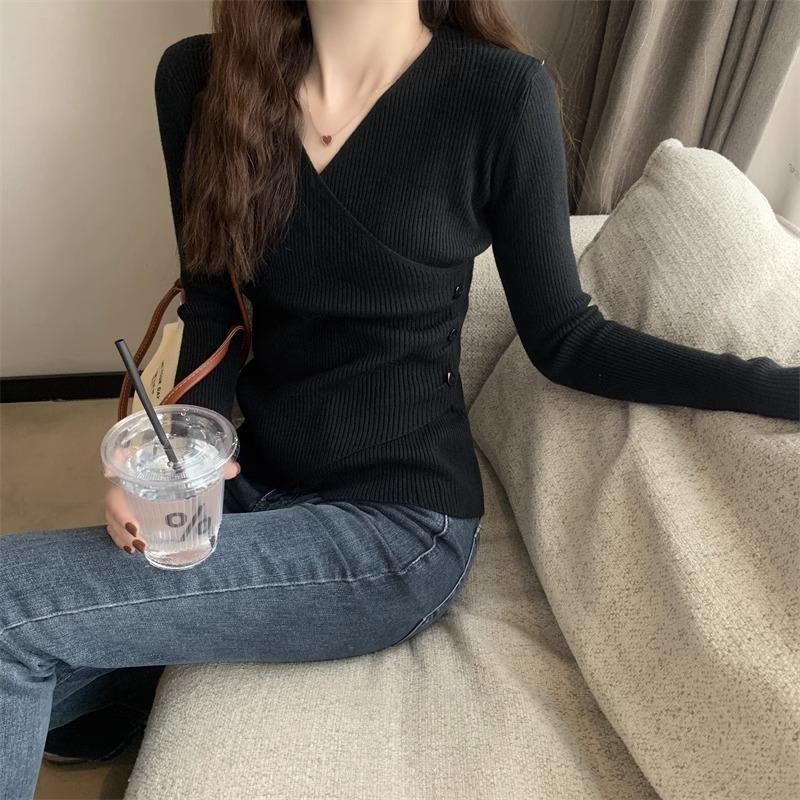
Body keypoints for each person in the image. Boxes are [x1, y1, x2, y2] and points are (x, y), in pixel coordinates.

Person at [2, 1, 797, 797]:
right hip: (253, 489)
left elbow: (567, 338)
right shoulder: (200, 80)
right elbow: (213, 308)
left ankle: (122, 684)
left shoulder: (500, 95)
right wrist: (177, 460)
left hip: (397, 528)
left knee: (11, 604)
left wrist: (770, 383)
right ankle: (123, 692)